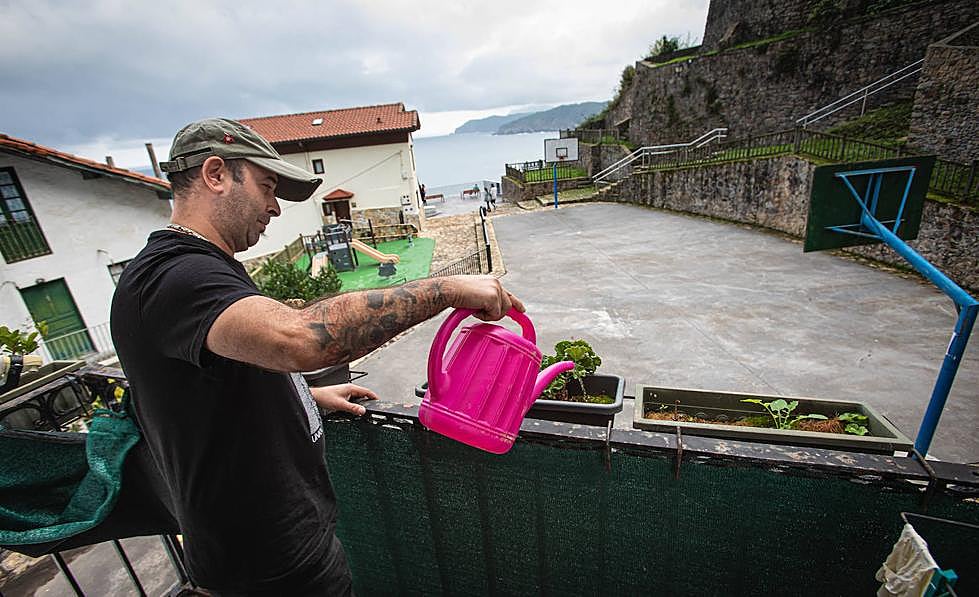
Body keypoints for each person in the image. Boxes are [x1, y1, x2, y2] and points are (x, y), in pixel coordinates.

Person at [110, 118, 523, 596]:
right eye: (267, 187)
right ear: (216, 174)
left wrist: (301, 395)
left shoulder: (200, 269)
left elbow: (223, 374)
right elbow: (300, 339)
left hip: (292, 551)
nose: (275, 208)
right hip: (265, 572)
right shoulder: (174, 277)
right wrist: (446, 288)